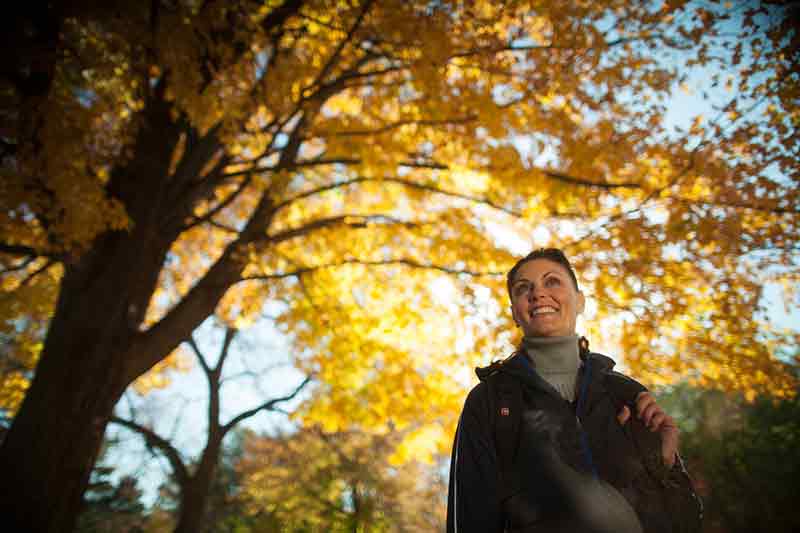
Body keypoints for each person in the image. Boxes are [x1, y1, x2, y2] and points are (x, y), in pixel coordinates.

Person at [447, 248, 702, 533]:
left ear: (580, 301)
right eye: (523, 288)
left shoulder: (624, 393)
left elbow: (684, 521)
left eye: (552, 281)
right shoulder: (490, 402)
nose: (538, 293)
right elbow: (470, 518)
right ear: (514, 313)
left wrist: (667, 465)